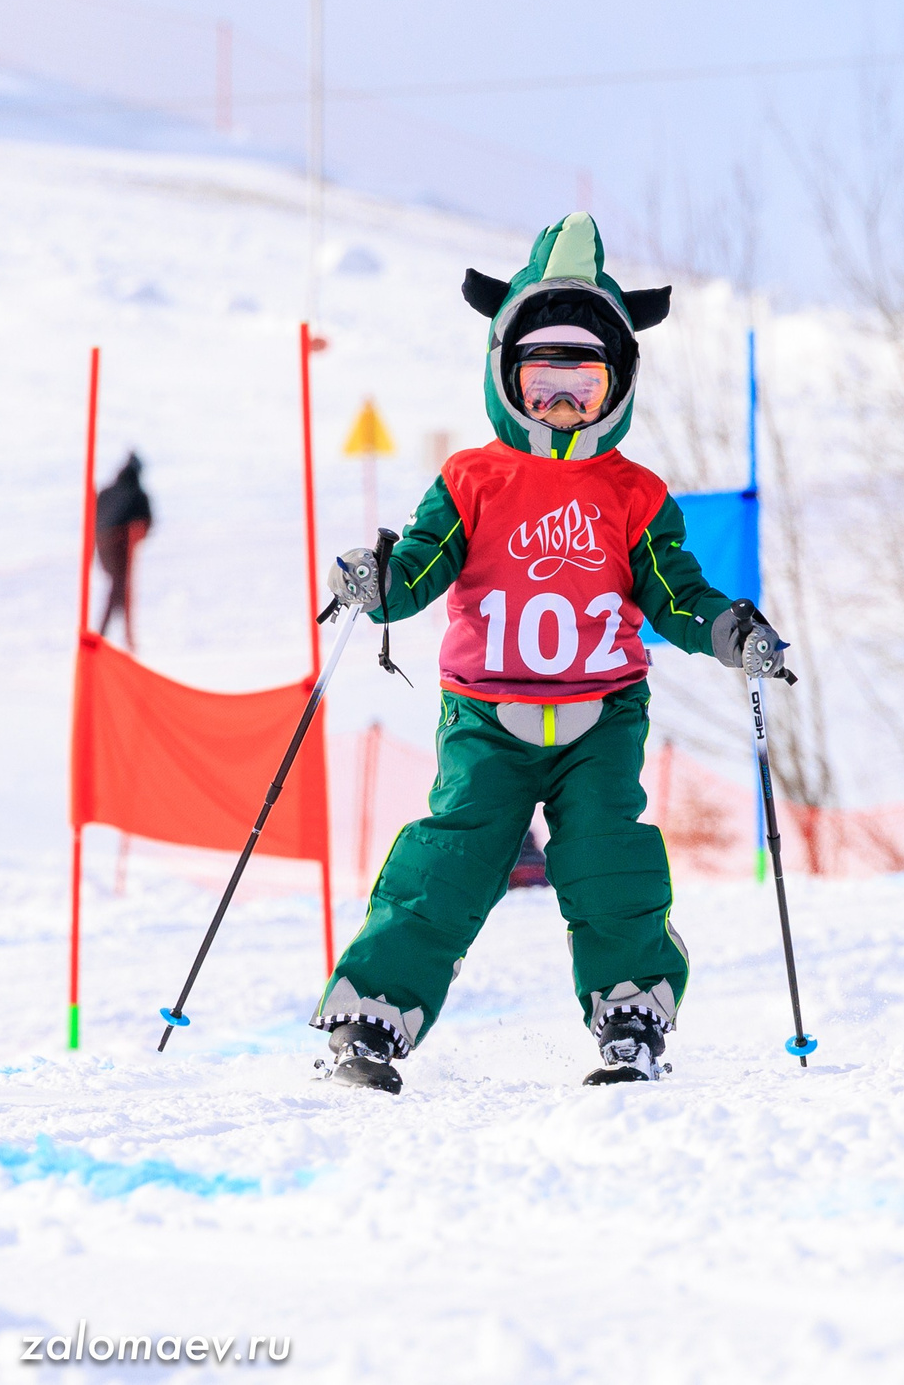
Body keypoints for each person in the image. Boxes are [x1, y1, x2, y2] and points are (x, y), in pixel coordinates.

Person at [309, 215, 784, 1093]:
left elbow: (674, 593)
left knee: (607, 856)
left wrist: (732, 633)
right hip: (487, 715)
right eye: (542, 380)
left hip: (601, 717)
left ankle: (632, 1011)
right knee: (451, 858)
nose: (562, 404)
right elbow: (420, 566)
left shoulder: (634, 493)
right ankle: (371, 1017)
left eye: (584, 382)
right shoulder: (471, 479)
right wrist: (379, 578)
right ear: (505, 375)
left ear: (617, 385)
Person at [94, 452, 153, 649]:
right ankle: (116, 637)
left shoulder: (107, 492)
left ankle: (112, 636)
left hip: (104, 549)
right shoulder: (138, 495)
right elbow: (147, 524)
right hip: (120, 549)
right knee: (120, 589)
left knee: (118, 589)